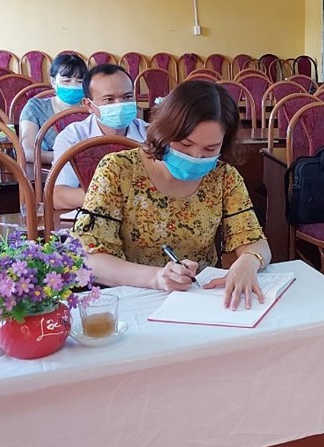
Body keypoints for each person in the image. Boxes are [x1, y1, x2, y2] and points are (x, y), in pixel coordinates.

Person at [73, 79, 269, 308]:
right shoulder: (119, 170)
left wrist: (248, 262)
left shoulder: (223, 176)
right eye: (185, 144)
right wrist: (157, 277)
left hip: (199, 300)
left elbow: (255, 242)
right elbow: (90, 259)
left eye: (210, 149)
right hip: (129, 299)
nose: (196, 156)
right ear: (165, 131)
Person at [51, 64, 148, 210]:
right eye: (109, 99)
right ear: (88, 105)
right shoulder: (73, 137)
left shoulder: (151, 135)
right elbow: (58, 196)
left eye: (127, 97)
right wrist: (119, 197)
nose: (120, 104)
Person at [19, 52, 87, 165]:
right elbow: (28, 152)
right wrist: (69, 158)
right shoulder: (36, 108)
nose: (74, 86)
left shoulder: (92, 108)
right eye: (66, 81)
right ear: (53, 82)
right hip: (48, 171)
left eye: (80, 82)